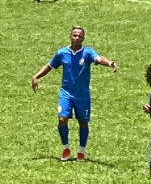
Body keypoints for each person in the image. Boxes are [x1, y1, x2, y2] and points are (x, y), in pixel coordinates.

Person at [31, 26, 117, 161]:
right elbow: (49, 66)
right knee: (62, 119)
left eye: (79, 36)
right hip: (66, 93)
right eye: (74, 35)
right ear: (70, 37)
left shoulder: (87, 53)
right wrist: (36, 76)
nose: (77, 38)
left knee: (83, 122)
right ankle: (66, 148)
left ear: (83, 38)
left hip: (82, 95)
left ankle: (81, 151)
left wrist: (110, 63)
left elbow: (99, 59)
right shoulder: (62, 53)